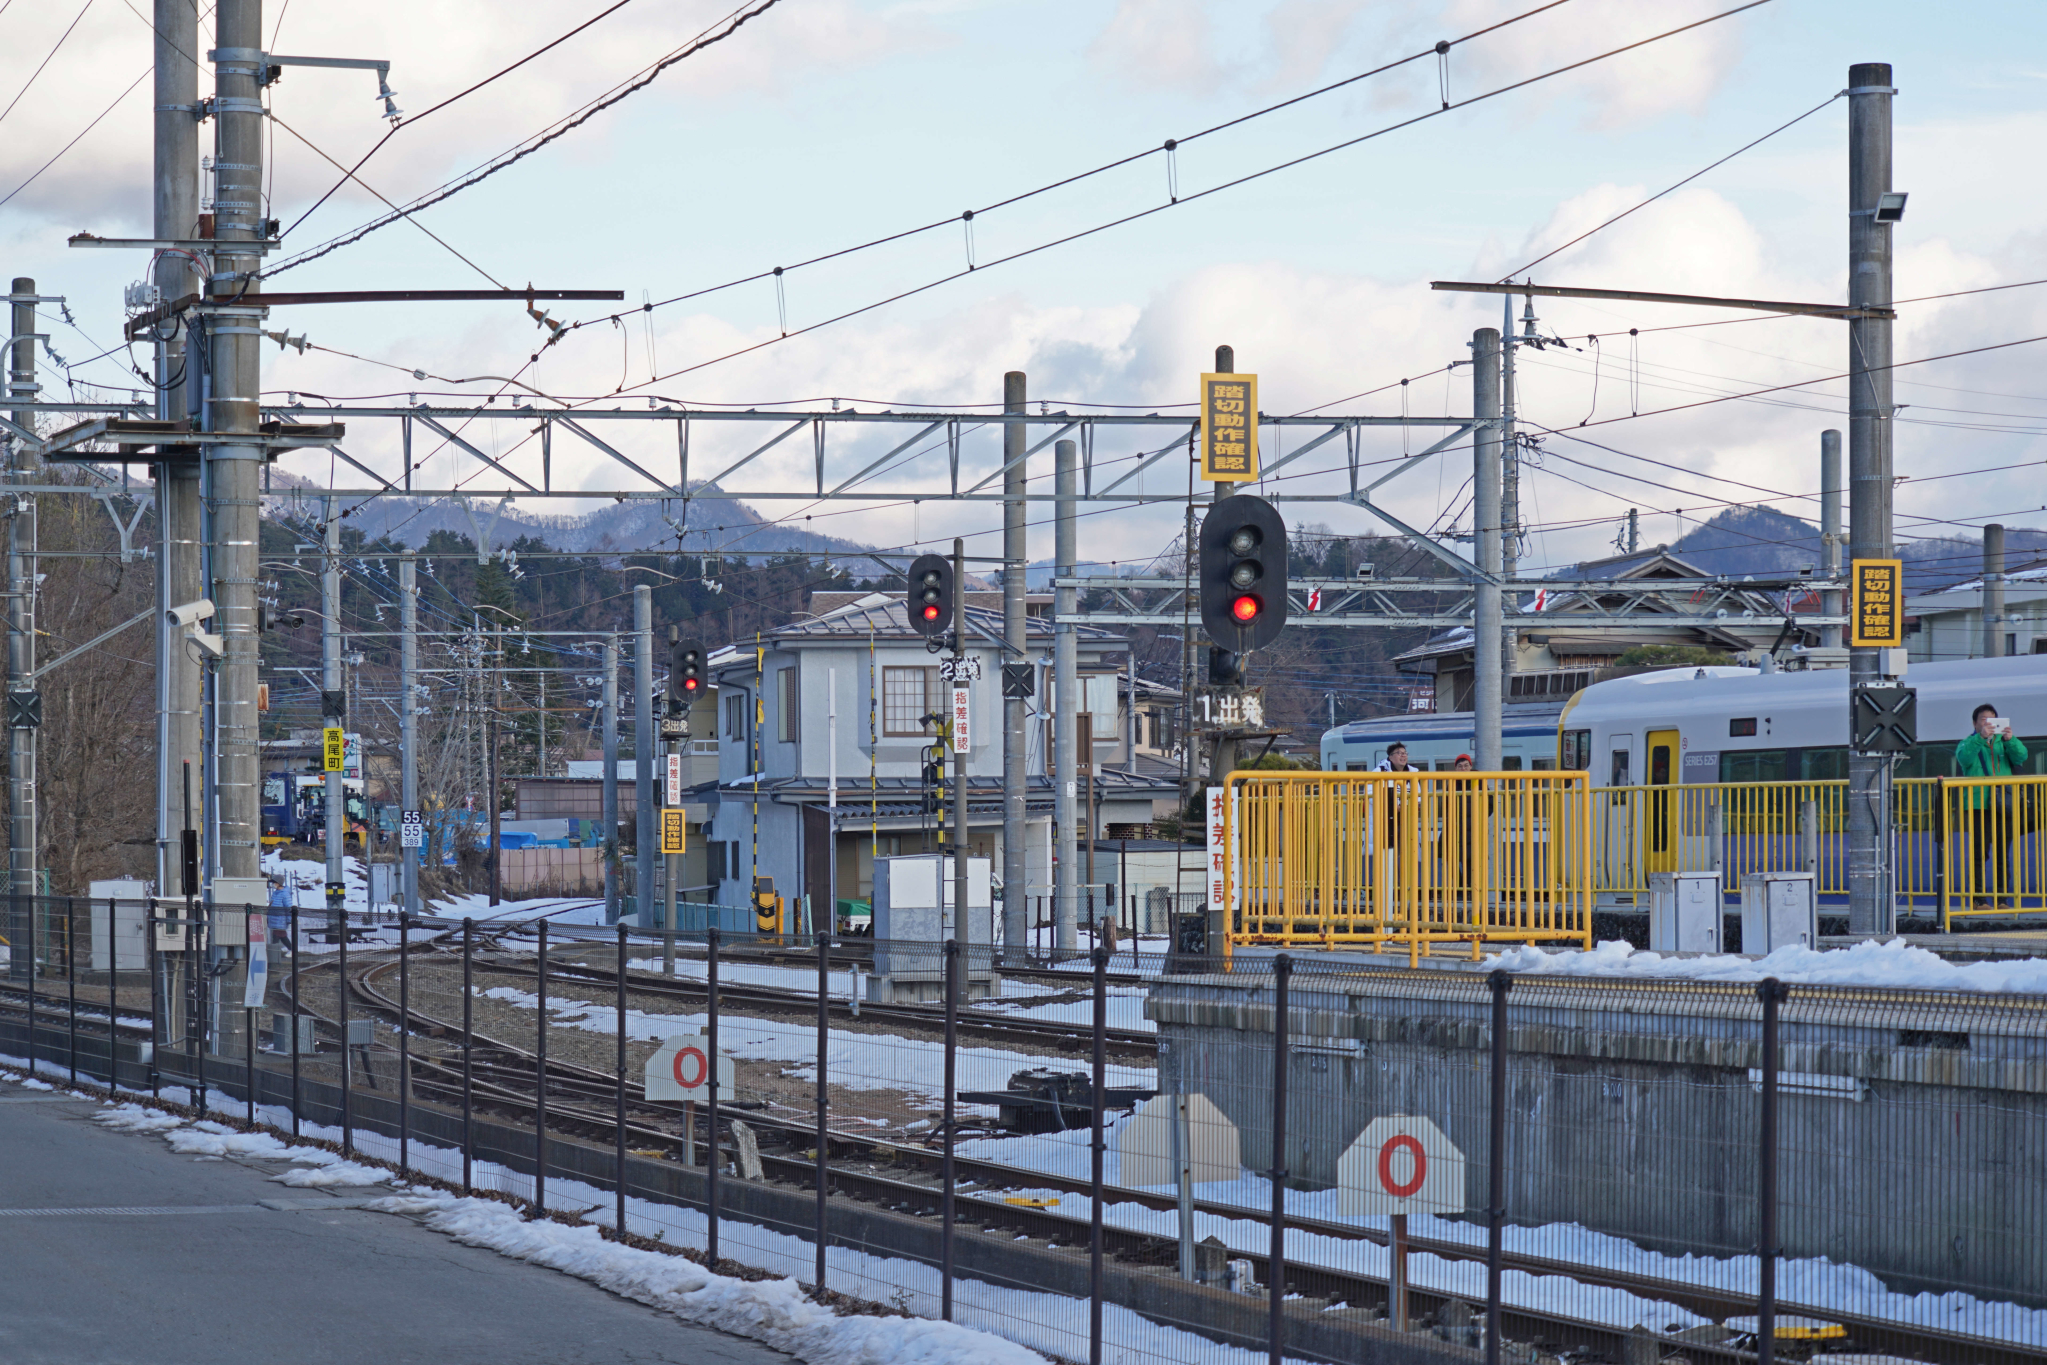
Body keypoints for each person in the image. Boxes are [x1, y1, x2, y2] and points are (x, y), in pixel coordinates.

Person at [1956, 704, 2029, 908]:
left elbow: (2021, 757)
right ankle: (1978, 899)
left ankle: (2002, 899)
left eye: (1992, 719)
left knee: (2002, 852)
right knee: (1979, 851)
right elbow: (1964, 759)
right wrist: (1980, 738)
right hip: (1978, 804)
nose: (1988, 723)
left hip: (2003, 804)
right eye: (1983, 719)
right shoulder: (1967, 742)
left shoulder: (2004, 743)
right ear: (1974, 723)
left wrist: (2010, 740)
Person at [266, 873, 294, 970]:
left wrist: (290, 919)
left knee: (277, 936)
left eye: (274, 882)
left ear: (278, 883)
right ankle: (278, 953)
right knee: (281, 935)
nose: (273, 884)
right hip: (275, 918)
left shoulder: (284, 894)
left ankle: (275, 955)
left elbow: (288, 907)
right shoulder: (276, 892)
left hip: (280, 919)